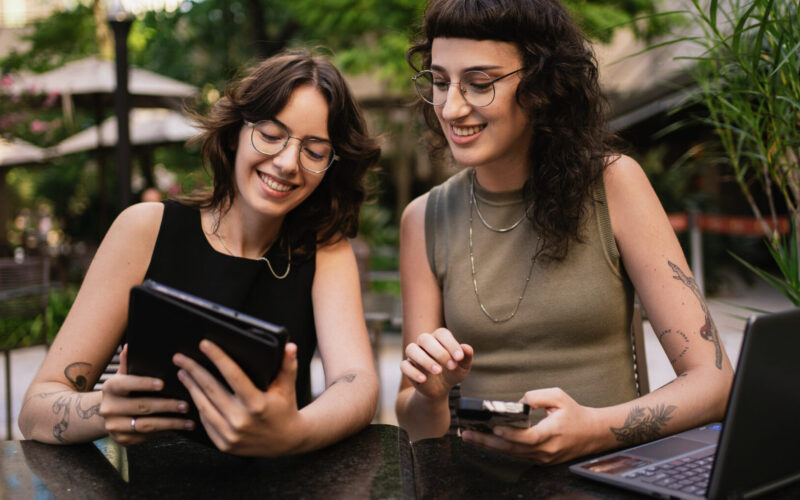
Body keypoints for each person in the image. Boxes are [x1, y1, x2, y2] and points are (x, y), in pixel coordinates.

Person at [395, 0, 734, 465]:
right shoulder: (423, 218)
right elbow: (413, 423)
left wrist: (595, 430)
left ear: (542, 84)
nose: (450, 107)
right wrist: (431, 395)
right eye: (439, 81)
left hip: (604, 476)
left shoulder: (614, 185)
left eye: (478, 84)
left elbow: (713, 384)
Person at [19, 50, 381, 457]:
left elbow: (358, 382)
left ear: (332, 165)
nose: (286, 163)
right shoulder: (145, 229)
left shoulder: (324, 249)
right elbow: (35, 410)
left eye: (314, 151)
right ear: (235, 133)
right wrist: (103, 409)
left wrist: (294, 432)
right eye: (271, 134)